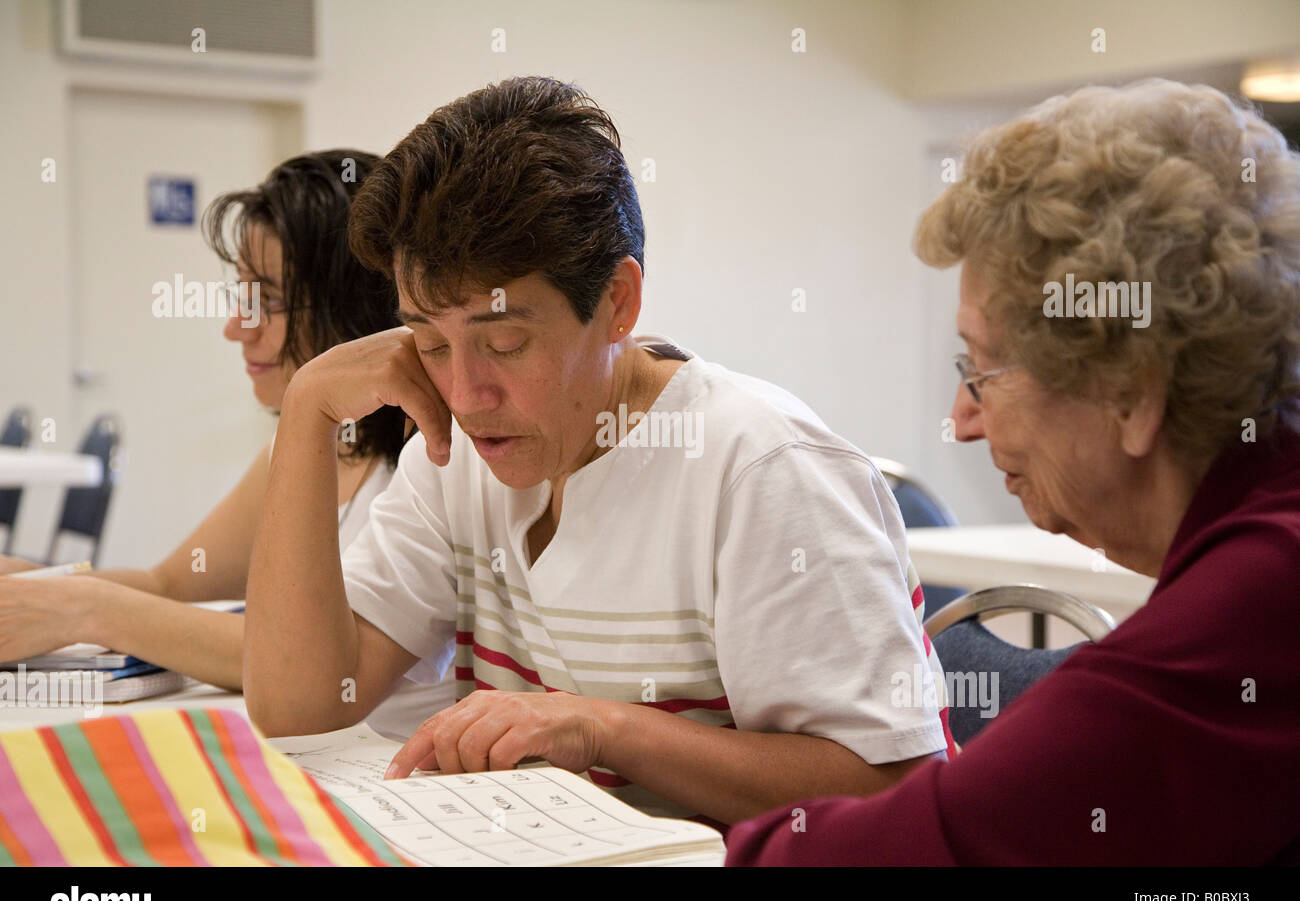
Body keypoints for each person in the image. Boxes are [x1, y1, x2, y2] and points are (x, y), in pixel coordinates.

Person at [242, 76, 955, 826]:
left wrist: (602, 728)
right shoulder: (454, 456)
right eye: (428, 343)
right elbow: (299, 707)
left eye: (505, 343)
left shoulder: (760, 468)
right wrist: (307, 412)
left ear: (617, 303)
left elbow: (893, 791)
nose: (464, 392)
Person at [726, 78, 1300, 864]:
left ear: (1130, 389)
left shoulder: (1257, 604)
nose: (962, 419)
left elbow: (905, 852)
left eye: (984, 367)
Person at [0, 150, 455, 736]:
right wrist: (38, 583)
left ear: (354, 303)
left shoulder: (429, 455)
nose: (236, 327)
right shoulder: (309, 446)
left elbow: (298, 663)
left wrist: (81, 606)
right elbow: (171, 584)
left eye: (265, 300)